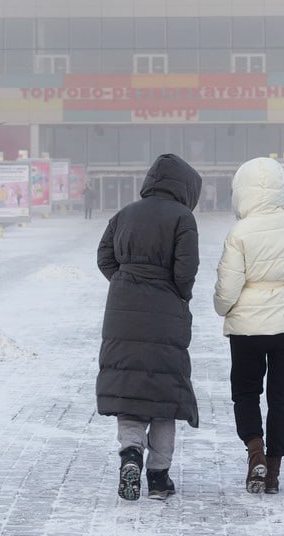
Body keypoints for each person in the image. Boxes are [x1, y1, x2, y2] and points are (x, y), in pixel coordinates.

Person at [96, 153, 202, 502]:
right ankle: (158, 478)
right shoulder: (182, 217)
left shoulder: (124, 213)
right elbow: (186, 269)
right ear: (185, 188)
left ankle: (130, 453)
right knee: (163, 396)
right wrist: (175, 293)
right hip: (165, 311)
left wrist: (126, 281)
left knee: (128, 386)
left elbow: (104, 257)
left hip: (122, 310)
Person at [213, 157, 284, 495]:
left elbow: (227, 290)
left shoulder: (240, 231)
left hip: (247, 329)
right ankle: (275, 469)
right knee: (282, 397)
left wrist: (221, 308)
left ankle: (255, 453)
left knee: (246, 392)